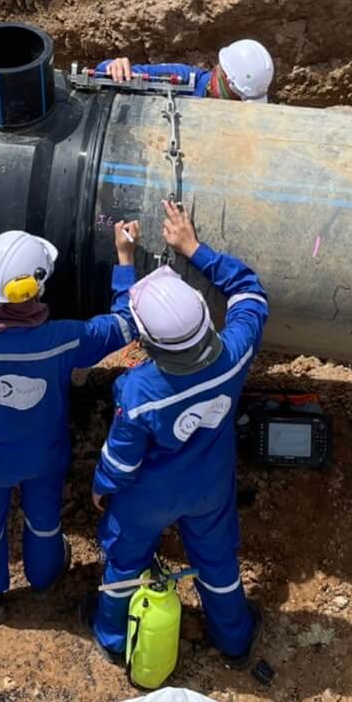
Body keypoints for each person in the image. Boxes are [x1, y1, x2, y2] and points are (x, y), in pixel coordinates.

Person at [85, 200, 269, 668]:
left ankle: (112, 636)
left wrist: (102, 488)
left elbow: (121, 458)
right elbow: (250, 293)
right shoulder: (235, 354)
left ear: (148, 344)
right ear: (207, 321)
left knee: (125, 562)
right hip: (210, 485)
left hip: (148, 495)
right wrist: (194, 248)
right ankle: (234, 639)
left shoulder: (141, 390)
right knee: (217, 561)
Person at [0, 223, 140, 624]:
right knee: (44, 518)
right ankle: (45, 576)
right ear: (33, 290)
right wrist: (125, 258)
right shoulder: (63, 339)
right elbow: (124, 324)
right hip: (44, 454)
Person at [94, 39, 274, 102]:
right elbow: (103, 75)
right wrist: (114, 66)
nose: (240, 108)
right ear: (224, 79)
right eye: (238, 99)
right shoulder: (181, 78)